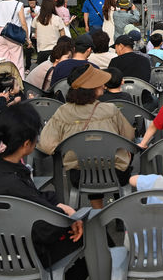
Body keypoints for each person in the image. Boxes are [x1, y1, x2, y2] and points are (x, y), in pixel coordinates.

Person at [0, 103, 88, 280]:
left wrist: (60, 207)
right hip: (24, 253)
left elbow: (32, 201)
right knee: (91, 232)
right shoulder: (12, 182)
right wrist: (67, 217)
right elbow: (45, 228)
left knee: (65, 213)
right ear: (27, 144)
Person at [38, 64, 135, 209]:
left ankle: (97, 210)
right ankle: (117, 208)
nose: (103, 85)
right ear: (92, 88)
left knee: (89, 162)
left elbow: (46, 144)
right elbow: (129, 136)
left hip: (80, 176)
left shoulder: (62, 112)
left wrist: (67, 148)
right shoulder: (110, 110)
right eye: (99, 83)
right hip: (116, 174)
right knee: (108, 158)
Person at [33, 0, 66, 65]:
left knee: (43, 73)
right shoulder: (57, 19)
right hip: (55, 50)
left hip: (41, 51)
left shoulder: (37, 19)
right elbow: (63, 37)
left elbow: (35, 36)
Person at [24, 0, 39, 70]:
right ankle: (27, 67)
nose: (31, 4)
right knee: (28, 51)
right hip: (29, 33)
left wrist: (35, 14)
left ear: (36, 1)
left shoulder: (39, 9)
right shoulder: (25, 9)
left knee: (38, 50)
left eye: (33, 2)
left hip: (38, 33)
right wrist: (28, 13)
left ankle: (40, 66)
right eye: (30, 2)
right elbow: (22, 19)